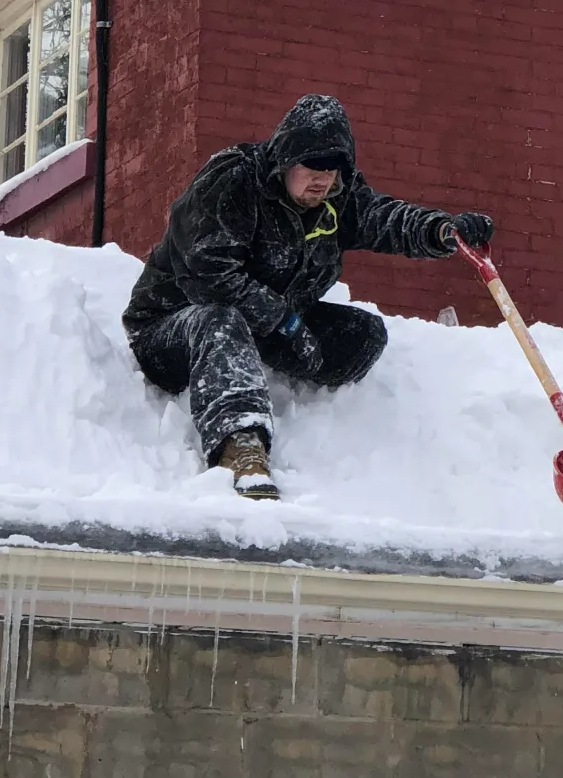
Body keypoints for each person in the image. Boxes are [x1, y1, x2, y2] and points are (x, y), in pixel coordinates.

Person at [122, 94, 493, 498]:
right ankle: (241, 449)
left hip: (264, 324)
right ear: (285, 159)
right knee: (219, 319)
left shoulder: (336, 199)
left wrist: (443, 230)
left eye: (333, 170)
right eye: (313, 167)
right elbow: (208, 276)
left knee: (362, 337)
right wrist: (286, 322)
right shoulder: (233, 182)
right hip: (173, 328)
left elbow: (383, 218)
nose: (323, 180)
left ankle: (283, 383)